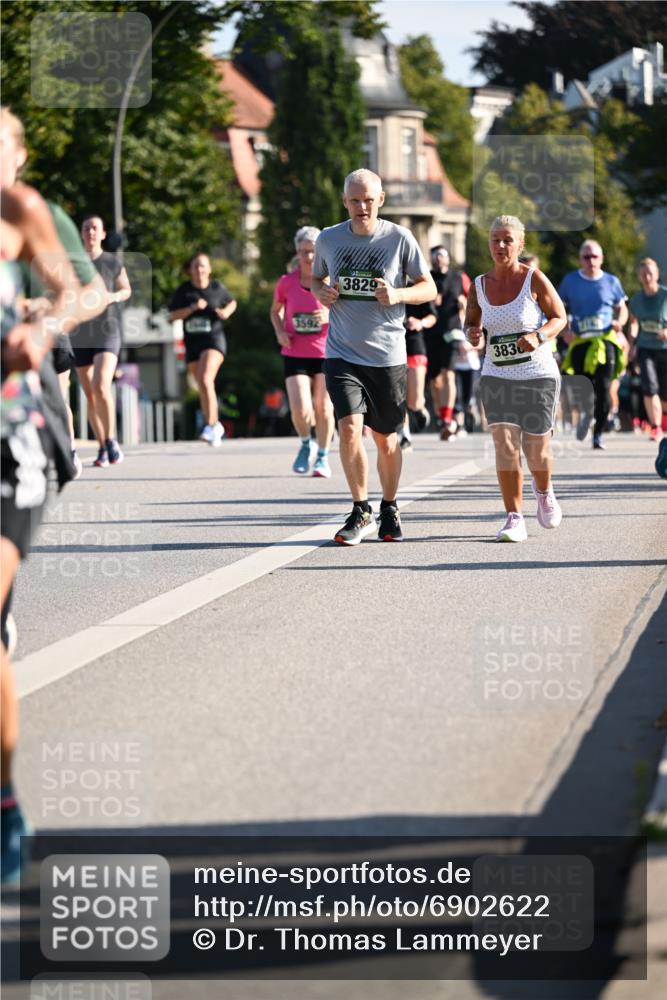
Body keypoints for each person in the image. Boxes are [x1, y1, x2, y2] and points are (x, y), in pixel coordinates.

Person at [1, 152, 93, 882]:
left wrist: (42, 325)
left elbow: (82, 292)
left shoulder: (26, 210)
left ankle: (4, 802)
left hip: (14, 432)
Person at [311, 168, 436, 544]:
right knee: (349, 427)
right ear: (345, 201)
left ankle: (390, 505)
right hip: (342, 352)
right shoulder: (328, 239)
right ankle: (360, 507)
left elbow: (427, 287)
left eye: (369, 200)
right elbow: (316, 279)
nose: (362, 207)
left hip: (387, 354)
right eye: (355, 200)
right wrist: (322, 293)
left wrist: (397, 295)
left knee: (385, 439)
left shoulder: (400, 238)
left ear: (380, 200)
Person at [465, 215, 567, 542]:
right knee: (505, 445)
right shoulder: (479, 285)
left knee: (536, 449)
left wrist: (538, 336)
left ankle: (544, 489)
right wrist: (472, 333)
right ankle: (514, 516)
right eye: (495, 239)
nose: (501, 246)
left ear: (520, 244)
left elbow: (559, 317)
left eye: (508, 240)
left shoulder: (533, 279)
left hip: (537, 372)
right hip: (496, 373)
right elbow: (471, 322)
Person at [270, 226, 334, 477]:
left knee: (324, 408)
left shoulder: (329, 280)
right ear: (297, 251)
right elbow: (275, 311)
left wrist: (328, 314)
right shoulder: (286, 282)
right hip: (295, 351)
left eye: (312, 251)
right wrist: (279, 332)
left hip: (326, 352)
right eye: (303, 251)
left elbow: (349, 310)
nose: (308, 257)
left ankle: (323, 457)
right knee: (301, 409)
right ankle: (306, 444)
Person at [72, 215, 132, 466]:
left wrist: (113, 297)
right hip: (80, 333)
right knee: (89, 393)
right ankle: (101, 445)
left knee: (100, 384)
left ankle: (111, 440)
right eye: (86, 228)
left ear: (103, 234)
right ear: (82, 233)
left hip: (107, 329)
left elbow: (126, 289)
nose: (90, 232)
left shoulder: (111, 262)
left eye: (95, 228)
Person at [558, 239, 628, 450]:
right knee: (584, 389)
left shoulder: (611, 281)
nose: (591, 261)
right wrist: (565, 330)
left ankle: (598, 434)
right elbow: (558, 308)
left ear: (602, 259)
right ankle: (587, 417)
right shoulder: (570, 281)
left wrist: (619, 322)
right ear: (580, 259)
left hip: (605, 340)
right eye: (586, 257)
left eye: (594, 256)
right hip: (581, 342)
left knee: (605, 387)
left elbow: (622, 308)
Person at [169, 252, 237, 448]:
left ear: (209, 269)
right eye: (196, 266)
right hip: (192, 344)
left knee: (206, 379)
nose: (199, 269)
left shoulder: (217, 288)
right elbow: (172, 315)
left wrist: (226, 312)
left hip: (214, 341)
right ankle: (214, 426)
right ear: (190, 270)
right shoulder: (184, 290)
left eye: (203, 266)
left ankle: (210, 425)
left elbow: (232, 302)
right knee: (203, 384)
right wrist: (192, 308)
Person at [428, 246, 470, 440]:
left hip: (452, 331)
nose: (438, 259)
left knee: (449, 374)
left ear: (448, 258)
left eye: (441, 255)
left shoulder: (459, 277)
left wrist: (464, 303)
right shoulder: (426, 277)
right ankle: (441, 415)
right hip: (431, 332)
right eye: (434, 255)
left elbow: (473, 299)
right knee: (435, 380)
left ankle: (447, 419)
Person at [627, 258, 667, 442]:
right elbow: (634, 324)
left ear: (657, 275)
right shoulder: (636, 300)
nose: (647, 277)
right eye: (643, 274)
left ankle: (662, 419)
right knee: (650, 387)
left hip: (664, 348)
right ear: (639, 277)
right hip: (645, 347)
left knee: (664, 393)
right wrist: (631, 345)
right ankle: (656, 427)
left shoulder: (665, 295)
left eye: (650, 273)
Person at [400, 291, 436, 451]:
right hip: (392, 345)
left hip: (414, 344)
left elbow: (432, 316)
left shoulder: (418, 287)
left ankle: (419, 408)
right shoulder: (385, 282)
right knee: (398, 396)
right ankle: (404, 435)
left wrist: (420, 323)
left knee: (414, 401)